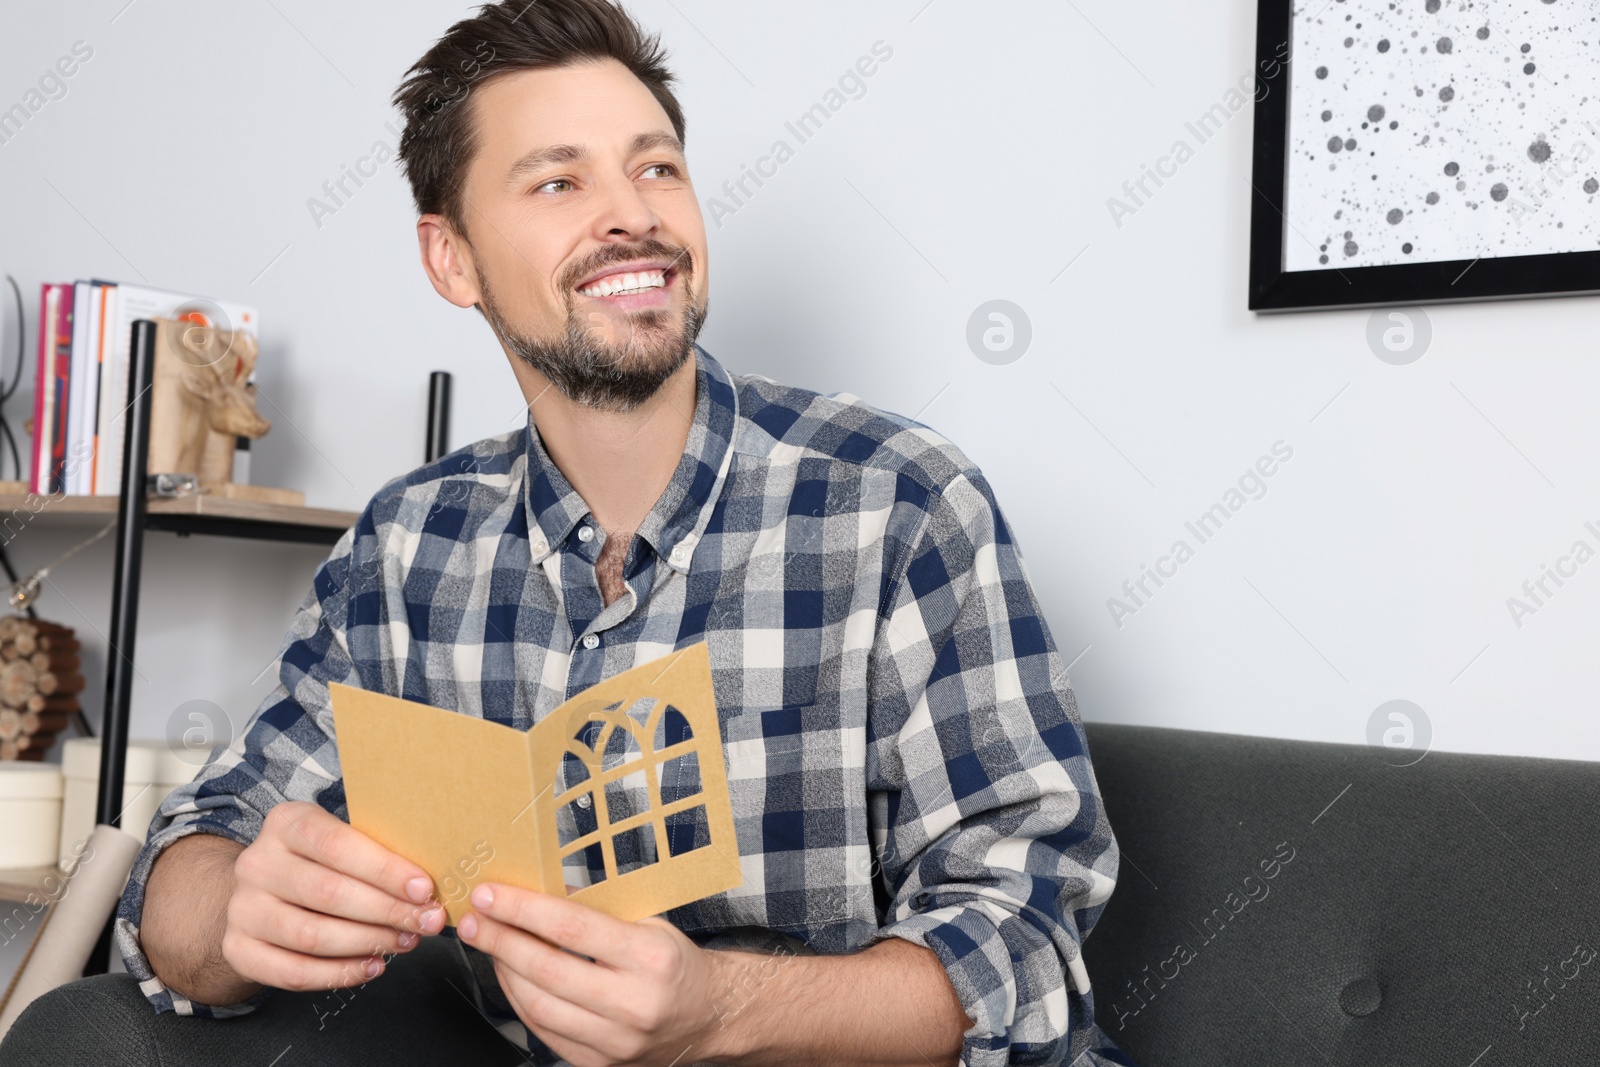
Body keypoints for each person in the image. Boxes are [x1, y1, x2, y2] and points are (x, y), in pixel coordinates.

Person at [1, 2, 1129, 1064]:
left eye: (656, 167)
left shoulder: (900, 502)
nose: (633, 210)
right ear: (451, 258)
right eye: (556, 180)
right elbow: (195, 861)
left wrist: (719, 1012)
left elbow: (1023, 945)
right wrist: (233, 902)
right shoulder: (409, 547)